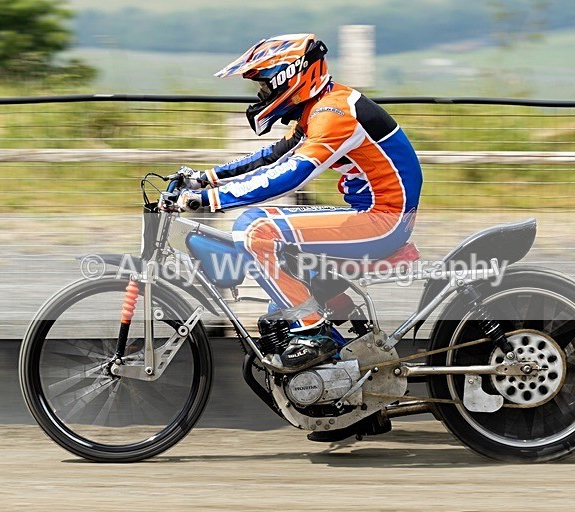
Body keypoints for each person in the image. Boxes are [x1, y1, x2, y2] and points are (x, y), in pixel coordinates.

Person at [175, 33, 422, 373]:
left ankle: (312, 331)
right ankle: (341, 345)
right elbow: (272, 157)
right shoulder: (320, 108)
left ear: (289, 78)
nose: (261, 95)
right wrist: (206, 178)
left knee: (256, 229)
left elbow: (290, 175)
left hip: (384, 220)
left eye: (264, 86)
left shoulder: (334, 113)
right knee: (279, 240)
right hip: (373, 214)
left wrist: (209, 200)